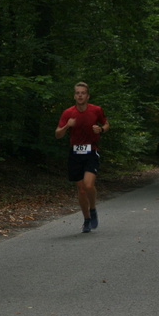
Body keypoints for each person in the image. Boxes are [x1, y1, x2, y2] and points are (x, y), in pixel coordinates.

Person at [55, 82, 109, 233]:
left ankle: (93, 209)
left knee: (88, 185)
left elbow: (106, 124)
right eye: (77, 93)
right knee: (81, 190)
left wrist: (101, 129)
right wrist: (67, 126)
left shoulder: (96, 110)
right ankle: (86, 220)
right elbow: (58, 134)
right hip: (75, 153)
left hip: (91, 151)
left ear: (87, 96)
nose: (80, 95)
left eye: (83, 93)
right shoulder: (68, 113)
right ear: (74, 96)